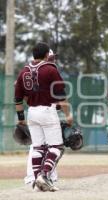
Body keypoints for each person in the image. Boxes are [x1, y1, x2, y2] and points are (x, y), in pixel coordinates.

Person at [14, 42, 73, 191]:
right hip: (47, 112)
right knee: (56, 147)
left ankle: (38, 182)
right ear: (47, 55)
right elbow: (61, 95)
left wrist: (21, 118)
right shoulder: (50, 70)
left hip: (32, 113)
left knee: (38, 148)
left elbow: (18, 99)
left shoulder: (24, 71)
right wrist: (68, 114)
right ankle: (44, 175)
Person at [24, 49, 58, 187]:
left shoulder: (45, 72)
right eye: (51, 57)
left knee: (47, 146)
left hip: (43, 110)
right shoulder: (39, 72)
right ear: (44, 57)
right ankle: (32, 177)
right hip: (43, 111)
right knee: (42, 146)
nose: (53, 60)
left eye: (53, 58)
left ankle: (48, 176)